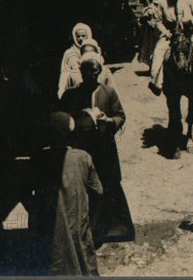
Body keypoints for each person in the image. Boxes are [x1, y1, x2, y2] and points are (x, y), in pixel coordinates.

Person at [58, 54, 135, 248]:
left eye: (93, 71)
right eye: (86, 71)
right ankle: (89, 231)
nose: (90, 75)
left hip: (104, 147)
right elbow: (63, 116)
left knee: (107, 184)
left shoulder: (108, 93)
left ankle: (114, 228)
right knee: (87, 187)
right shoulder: (72, 94)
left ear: (99, 71)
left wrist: (109, 122)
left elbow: (120, 115)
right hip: (83, 146)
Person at [27, 112, 102, 275]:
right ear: (71, 133)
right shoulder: (83, 158)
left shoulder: (40, 158)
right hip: (79, 225)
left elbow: (28, 192)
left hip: (50, 231)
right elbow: (98, 192)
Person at [58, 23, 92, 98]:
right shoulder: (69, 53)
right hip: (75, 87)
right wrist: (61, 92)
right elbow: (64, 73)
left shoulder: (94, 50)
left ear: (88, 35)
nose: (81, 39)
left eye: (83, 36)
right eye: (78, 36)